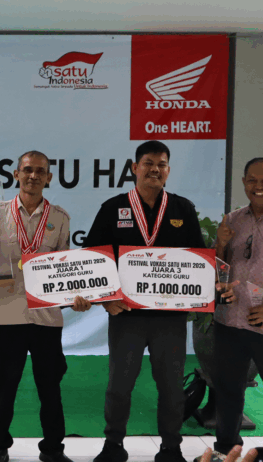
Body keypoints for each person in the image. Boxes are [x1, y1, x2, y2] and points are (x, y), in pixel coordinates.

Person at [86, 141, 217, 462]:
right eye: (148, 163)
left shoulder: (182, 208)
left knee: (171, 388)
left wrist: (200, 292)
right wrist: (106, 300)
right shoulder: (113, 207)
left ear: (168, 171)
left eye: (161, 164)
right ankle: (113, 445)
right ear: (135, 168)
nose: (155, 169)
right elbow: (93, 258)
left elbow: (198, 260)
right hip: (126, 315)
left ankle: (171, 447)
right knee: (119, 385)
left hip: (169, 319)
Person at [0, 150, 91, 462]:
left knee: (50, 389)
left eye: (40, 171)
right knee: (2, 388)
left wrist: (76, 296)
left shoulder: (60, 218)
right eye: (27, 170)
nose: (33, 176)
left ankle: (53, 450)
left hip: (47, 319)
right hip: (7, 315)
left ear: (49, 177)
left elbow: (65, 268)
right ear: (16, 174)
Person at [193, 158, 263, 462]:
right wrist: (220, 246)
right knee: (228, 391)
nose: (258, 186)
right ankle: (225, 450)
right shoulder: (232, 220)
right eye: (252, 180)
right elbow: (219, 269)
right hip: (230, 321)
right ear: (244, 182)